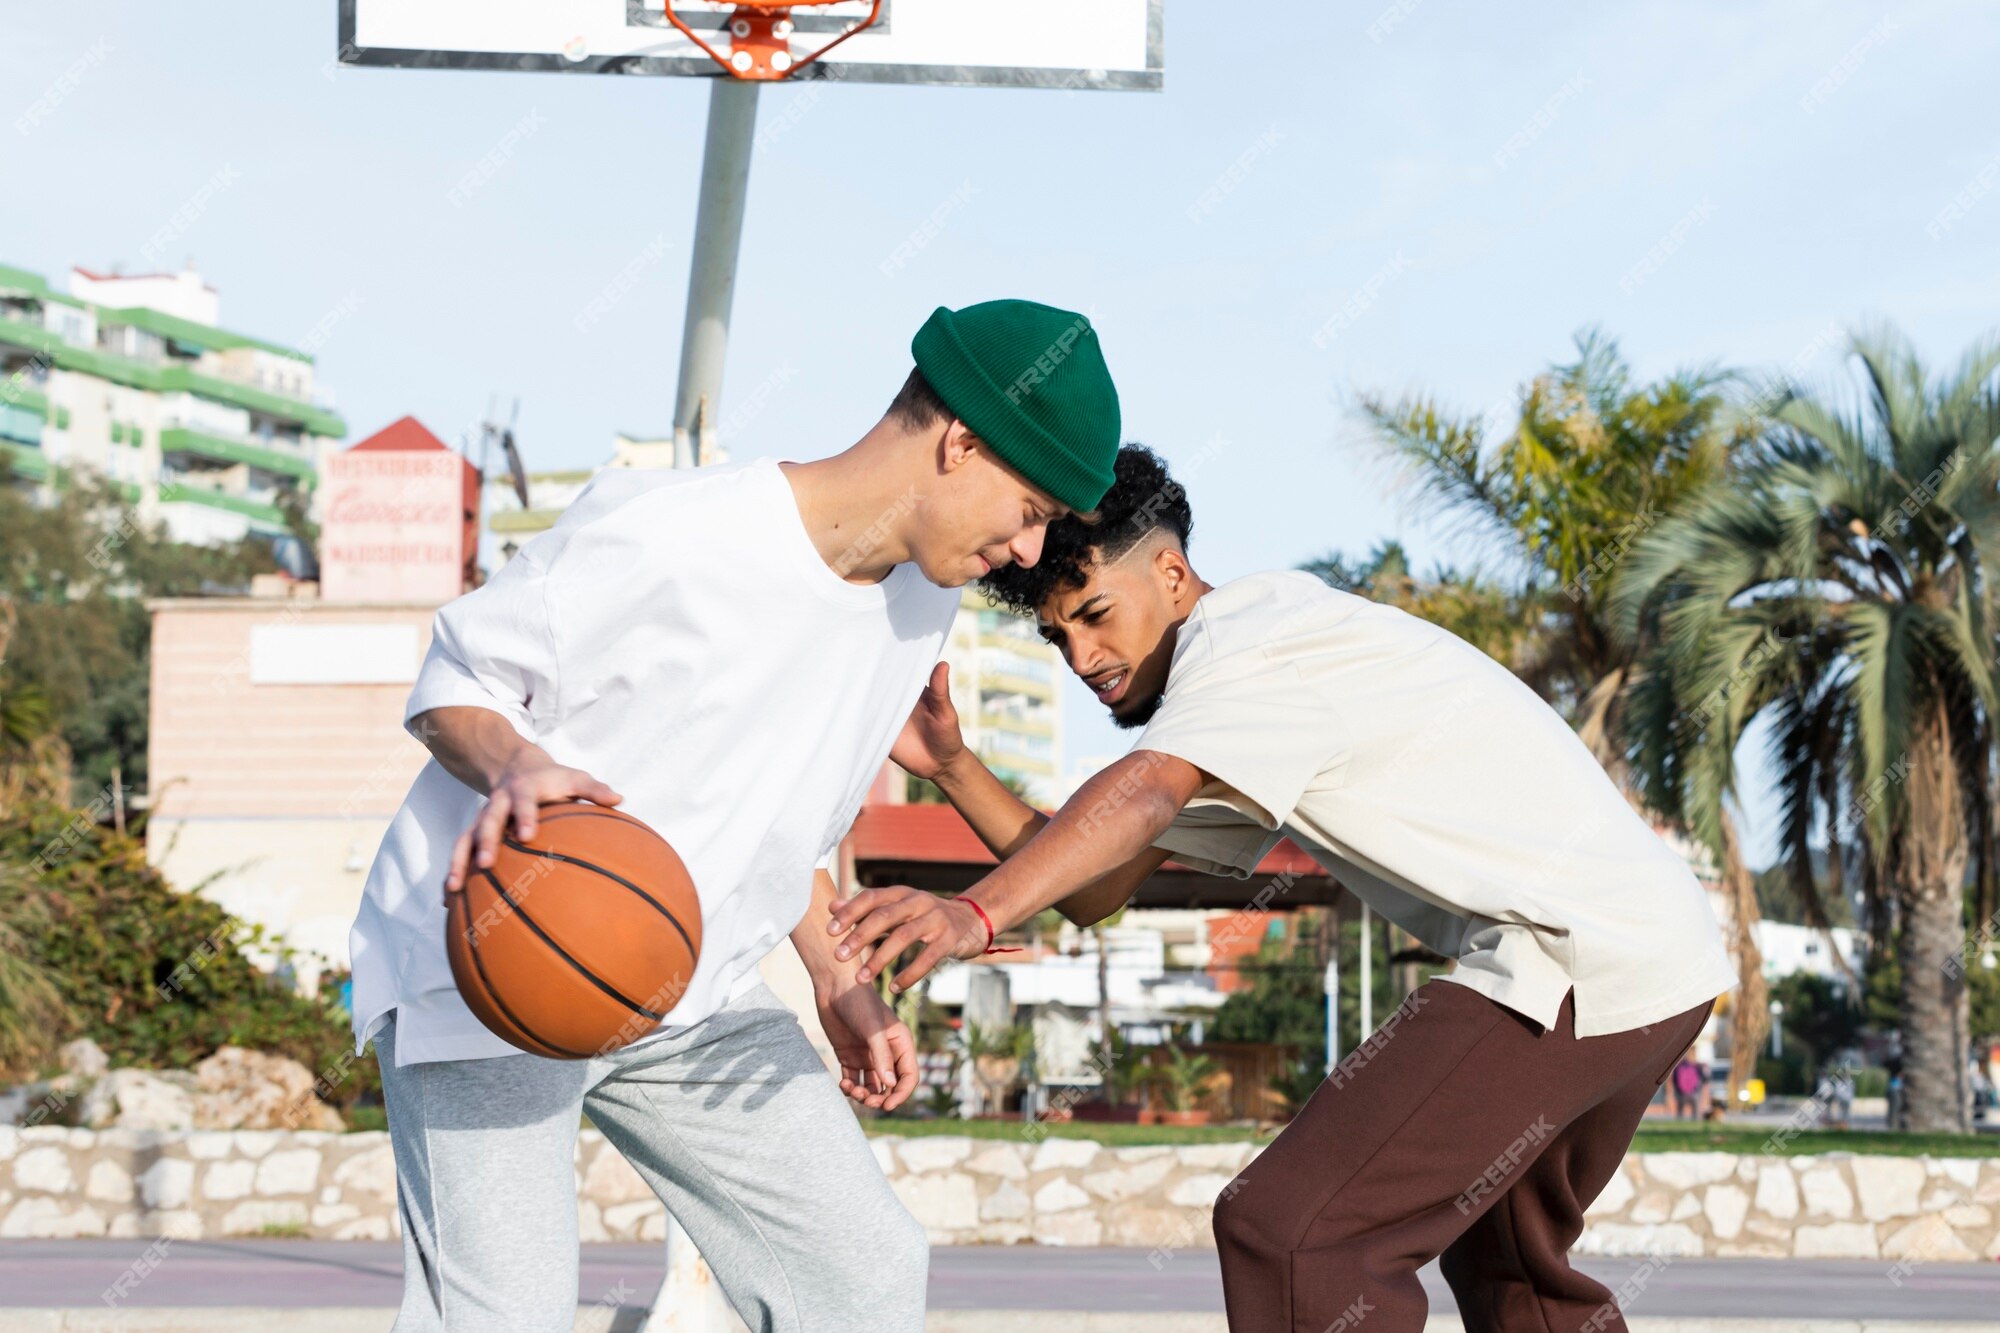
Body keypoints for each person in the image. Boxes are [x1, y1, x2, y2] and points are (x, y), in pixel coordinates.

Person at [833, 445, 1738, 1333]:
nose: (1082, 656)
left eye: (1097, 613)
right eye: (1059, 634)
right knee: (1508, 1268)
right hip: (1648, 955)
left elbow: (1143, 791)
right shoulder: (1244, 692)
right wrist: (952, 764)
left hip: (1573, 958)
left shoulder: (1247, 648)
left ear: (1174, 572)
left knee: (1293, 1233)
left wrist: (972, 910)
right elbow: (1097, 885)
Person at [345, 299, 1123, 1332]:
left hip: (692, 987)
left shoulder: (919, 604)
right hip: (496, 960)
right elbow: (457, 682)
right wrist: (520, 768)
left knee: (860, 1273)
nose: (1027, 551)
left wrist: (839, 976)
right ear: (960, 441)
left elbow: (783, 823)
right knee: (504, 1317)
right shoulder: (675, 530)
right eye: (1026, 510)